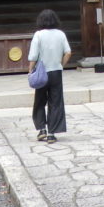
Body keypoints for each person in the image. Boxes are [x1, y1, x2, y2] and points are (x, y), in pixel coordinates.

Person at [28, 8, 71, 143]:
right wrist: (61, 65)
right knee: (56, 102)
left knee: (40, 101)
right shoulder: (61, 34)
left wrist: (30, 70)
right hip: (56, 72)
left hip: (42, 72)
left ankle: (42, 130)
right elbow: (68, 52)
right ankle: (52, 133)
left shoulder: (38, 35)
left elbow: (33, 56)